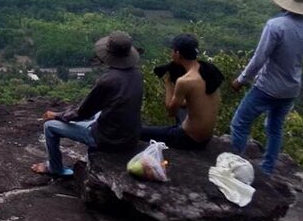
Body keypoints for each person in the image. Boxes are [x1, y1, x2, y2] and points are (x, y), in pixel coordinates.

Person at [231, 0, 303, 174]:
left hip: (267, 86)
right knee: (275, 128)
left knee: (240, 123)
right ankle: (268, 169)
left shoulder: (275, 25)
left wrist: (241, 79)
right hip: (291, 89)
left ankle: (234, 166)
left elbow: (260, 58)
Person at [31, 31, 143, 177]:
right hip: (130, 137)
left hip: (107, 139)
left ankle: (55, 168)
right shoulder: (137, 74)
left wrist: (56, 115)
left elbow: (82, 113)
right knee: (98, 113)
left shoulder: (107, 80)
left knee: (49, 127)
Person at [141, 34, 222, 150]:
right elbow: (198, 100)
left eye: (172, 51)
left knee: (139, 131)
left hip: (189, 139)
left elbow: (171, 111)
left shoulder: (185, 81)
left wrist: (168, 82)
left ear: (177, 54)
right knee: (182, 106)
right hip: (206, 137)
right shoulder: (210, 69)